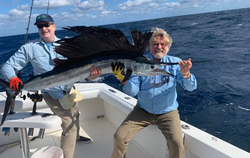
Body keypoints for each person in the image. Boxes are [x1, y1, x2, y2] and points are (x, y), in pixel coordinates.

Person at [1, 14, 101, 158]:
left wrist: (91, 77)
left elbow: (80, 71)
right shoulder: (29, 48)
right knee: (69, 125)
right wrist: (13, 78)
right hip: (52, 93)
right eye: (40, 26)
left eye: (47, 25)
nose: (44, 28)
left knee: (75, 115)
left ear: (54, 26)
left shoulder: (67, 45)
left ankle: (77, 137)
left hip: (70, 90)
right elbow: (8, 66)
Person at [111, 27, 197, 158]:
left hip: (167, 112)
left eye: (163, 44)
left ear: (168, 46)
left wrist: (185, 74)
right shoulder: (139, 62)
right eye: (155, 44)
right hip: (143, 110)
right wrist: (124, 80)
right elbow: (133, 91)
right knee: (119, 137)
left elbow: (191, 88)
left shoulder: (175, 63)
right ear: (149, 46)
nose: (159, 47)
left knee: (177, 144)